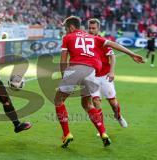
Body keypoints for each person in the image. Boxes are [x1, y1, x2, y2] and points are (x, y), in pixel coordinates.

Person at [54, 16, 144, 148]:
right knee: (87, 104)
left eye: (66, 27)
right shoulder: (93, 37)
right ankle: (103, 133)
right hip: (91, 73)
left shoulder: (67, 37)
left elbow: (63, 60)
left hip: (75, 69)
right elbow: (114, 44)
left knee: (58, 100)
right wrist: (131, 54)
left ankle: (67, 134)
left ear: (72, 27)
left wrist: (64, 78)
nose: (65, 30)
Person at [85, 18, 127, 129]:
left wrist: (112, 71)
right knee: (96, 101)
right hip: (92, 77)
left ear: (98, 29)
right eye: (89, 28)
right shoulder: (85, 42)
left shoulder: (102, 41)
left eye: (93, 28)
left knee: (113, 103)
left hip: (104, 76)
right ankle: (101, 129)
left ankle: (118, 116)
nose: (90, 30)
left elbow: (112, 56)